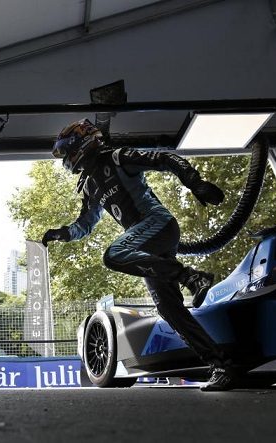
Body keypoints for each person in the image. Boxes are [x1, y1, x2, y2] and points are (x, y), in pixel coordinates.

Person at [42, 119, 235, 391]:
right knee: (169, 309)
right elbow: (84, 224)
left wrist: (196, 183)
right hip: (144, 243)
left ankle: (191, 277)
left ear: (82, 143)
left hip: (159, 225)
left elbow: (165, 158)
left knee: (114, 254)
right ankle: (221, 365)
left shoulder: (119, 158)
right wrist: (60, 234)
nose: (67, 159)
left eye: (68, 151)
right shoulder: (89, 186)